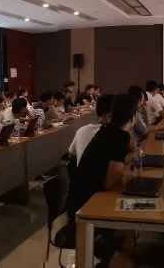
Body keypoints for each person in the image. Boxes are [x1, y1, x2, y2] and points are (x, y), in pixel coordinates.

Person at [65, 94, 137, 267]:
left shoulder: (108, 131)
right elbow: (109, 181)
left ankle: (113, 254)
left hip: (80, 197)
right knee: (130, 224)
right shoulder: (119, 136)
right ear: (133, 117)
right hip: (87, 204)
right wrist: (125, 171)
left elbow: (128, 151)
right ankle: (112, 258)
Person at [69, 94, 114, 163]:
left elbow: (71, 153)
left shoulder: (81, 130)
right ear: (109, 115)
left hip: (81, 169)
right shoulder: (116, 135)